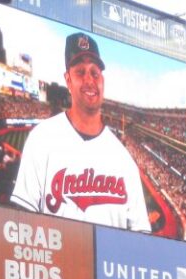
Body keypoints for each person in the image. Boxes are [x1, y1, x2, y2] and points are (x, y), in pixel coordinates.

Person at [10, 33, 150, 232]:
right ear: (68, 80)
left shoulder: (125, 161)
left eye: (95, 73)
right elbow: (21, 222)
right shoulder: (41, 139)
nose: (89, 81)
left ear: (102, 80)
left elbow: (141, 238)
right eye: (80, 72)